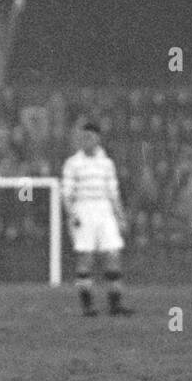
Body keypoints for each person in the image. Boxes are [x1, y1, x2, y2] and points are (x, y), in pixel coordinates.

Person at [61, 121, 132, 316]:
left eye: (89, 137)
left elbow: (113, 193)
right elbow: (66, 194)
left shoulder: (107, 163)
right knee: (86, 257)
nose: (85, 141)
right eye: (83, 137)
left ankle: (115, 303)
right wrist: (72, 215)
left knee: (113, 254)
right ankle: (87, 306)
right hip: (83, 209)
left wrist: (120, 216)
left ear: (97, 139)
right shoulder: (72, 163)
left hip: (104, 209)